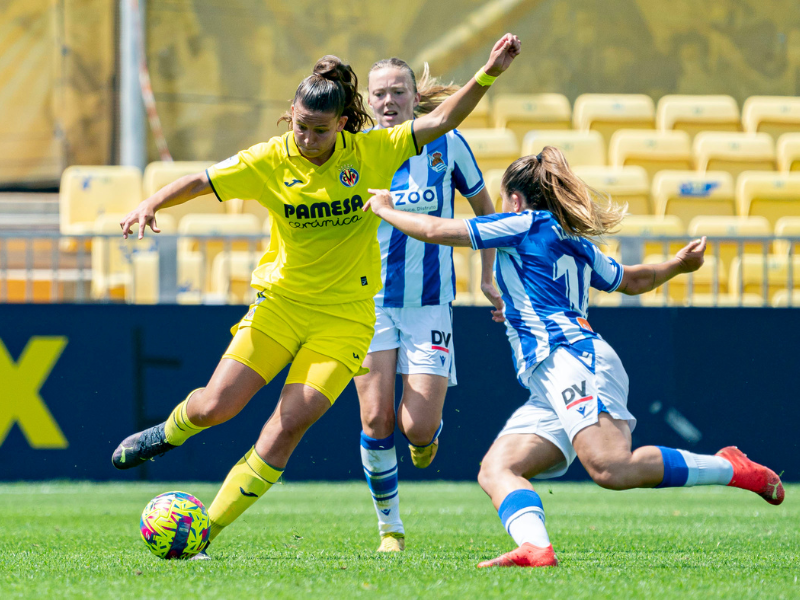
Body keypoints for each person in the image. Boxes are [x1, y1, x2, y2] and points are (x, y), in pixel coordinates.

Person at [110, 34, 522, 558]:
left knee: (286, 425)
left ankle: (204, 530)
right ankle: (169, 433)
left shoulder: (372, 151)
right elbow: (201, 179)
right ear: (291, 115)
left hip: (346, 321)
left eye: (319, 130)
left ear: (344, 125)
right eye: (300, 126)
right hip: (280, 305)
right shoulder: (270, 160)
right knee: (217, 406)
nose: (307, 138)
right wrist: (152, 202)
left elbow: (442, 122)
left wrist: (488, 72)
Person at [362, 146, 785, 568]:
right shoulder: (573, 240)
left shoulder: (521, 223)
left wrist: (385, 208)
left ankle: (729, 467)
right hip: (552, 376)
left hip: (572, 360)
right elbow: (631, 280)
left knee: (611, 467)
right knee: (497, 468)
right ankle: (536, 548)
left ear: (514, 199)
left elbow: (436, 231)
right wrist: (676, 264)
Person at [355, 58, 502, 552]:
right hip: (366, 303)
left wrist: (488, 274)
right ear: (368, 101)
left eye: (398, 91)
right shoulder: (353, 151)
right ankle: (390, 529)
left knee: (415, 428)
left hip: (430, 303)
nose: (388, 101)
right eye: (379, 93)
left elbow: (486, 214)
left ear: (417, 99)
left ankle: (424, 439)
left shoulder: (449, 145)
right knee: (375, 421)